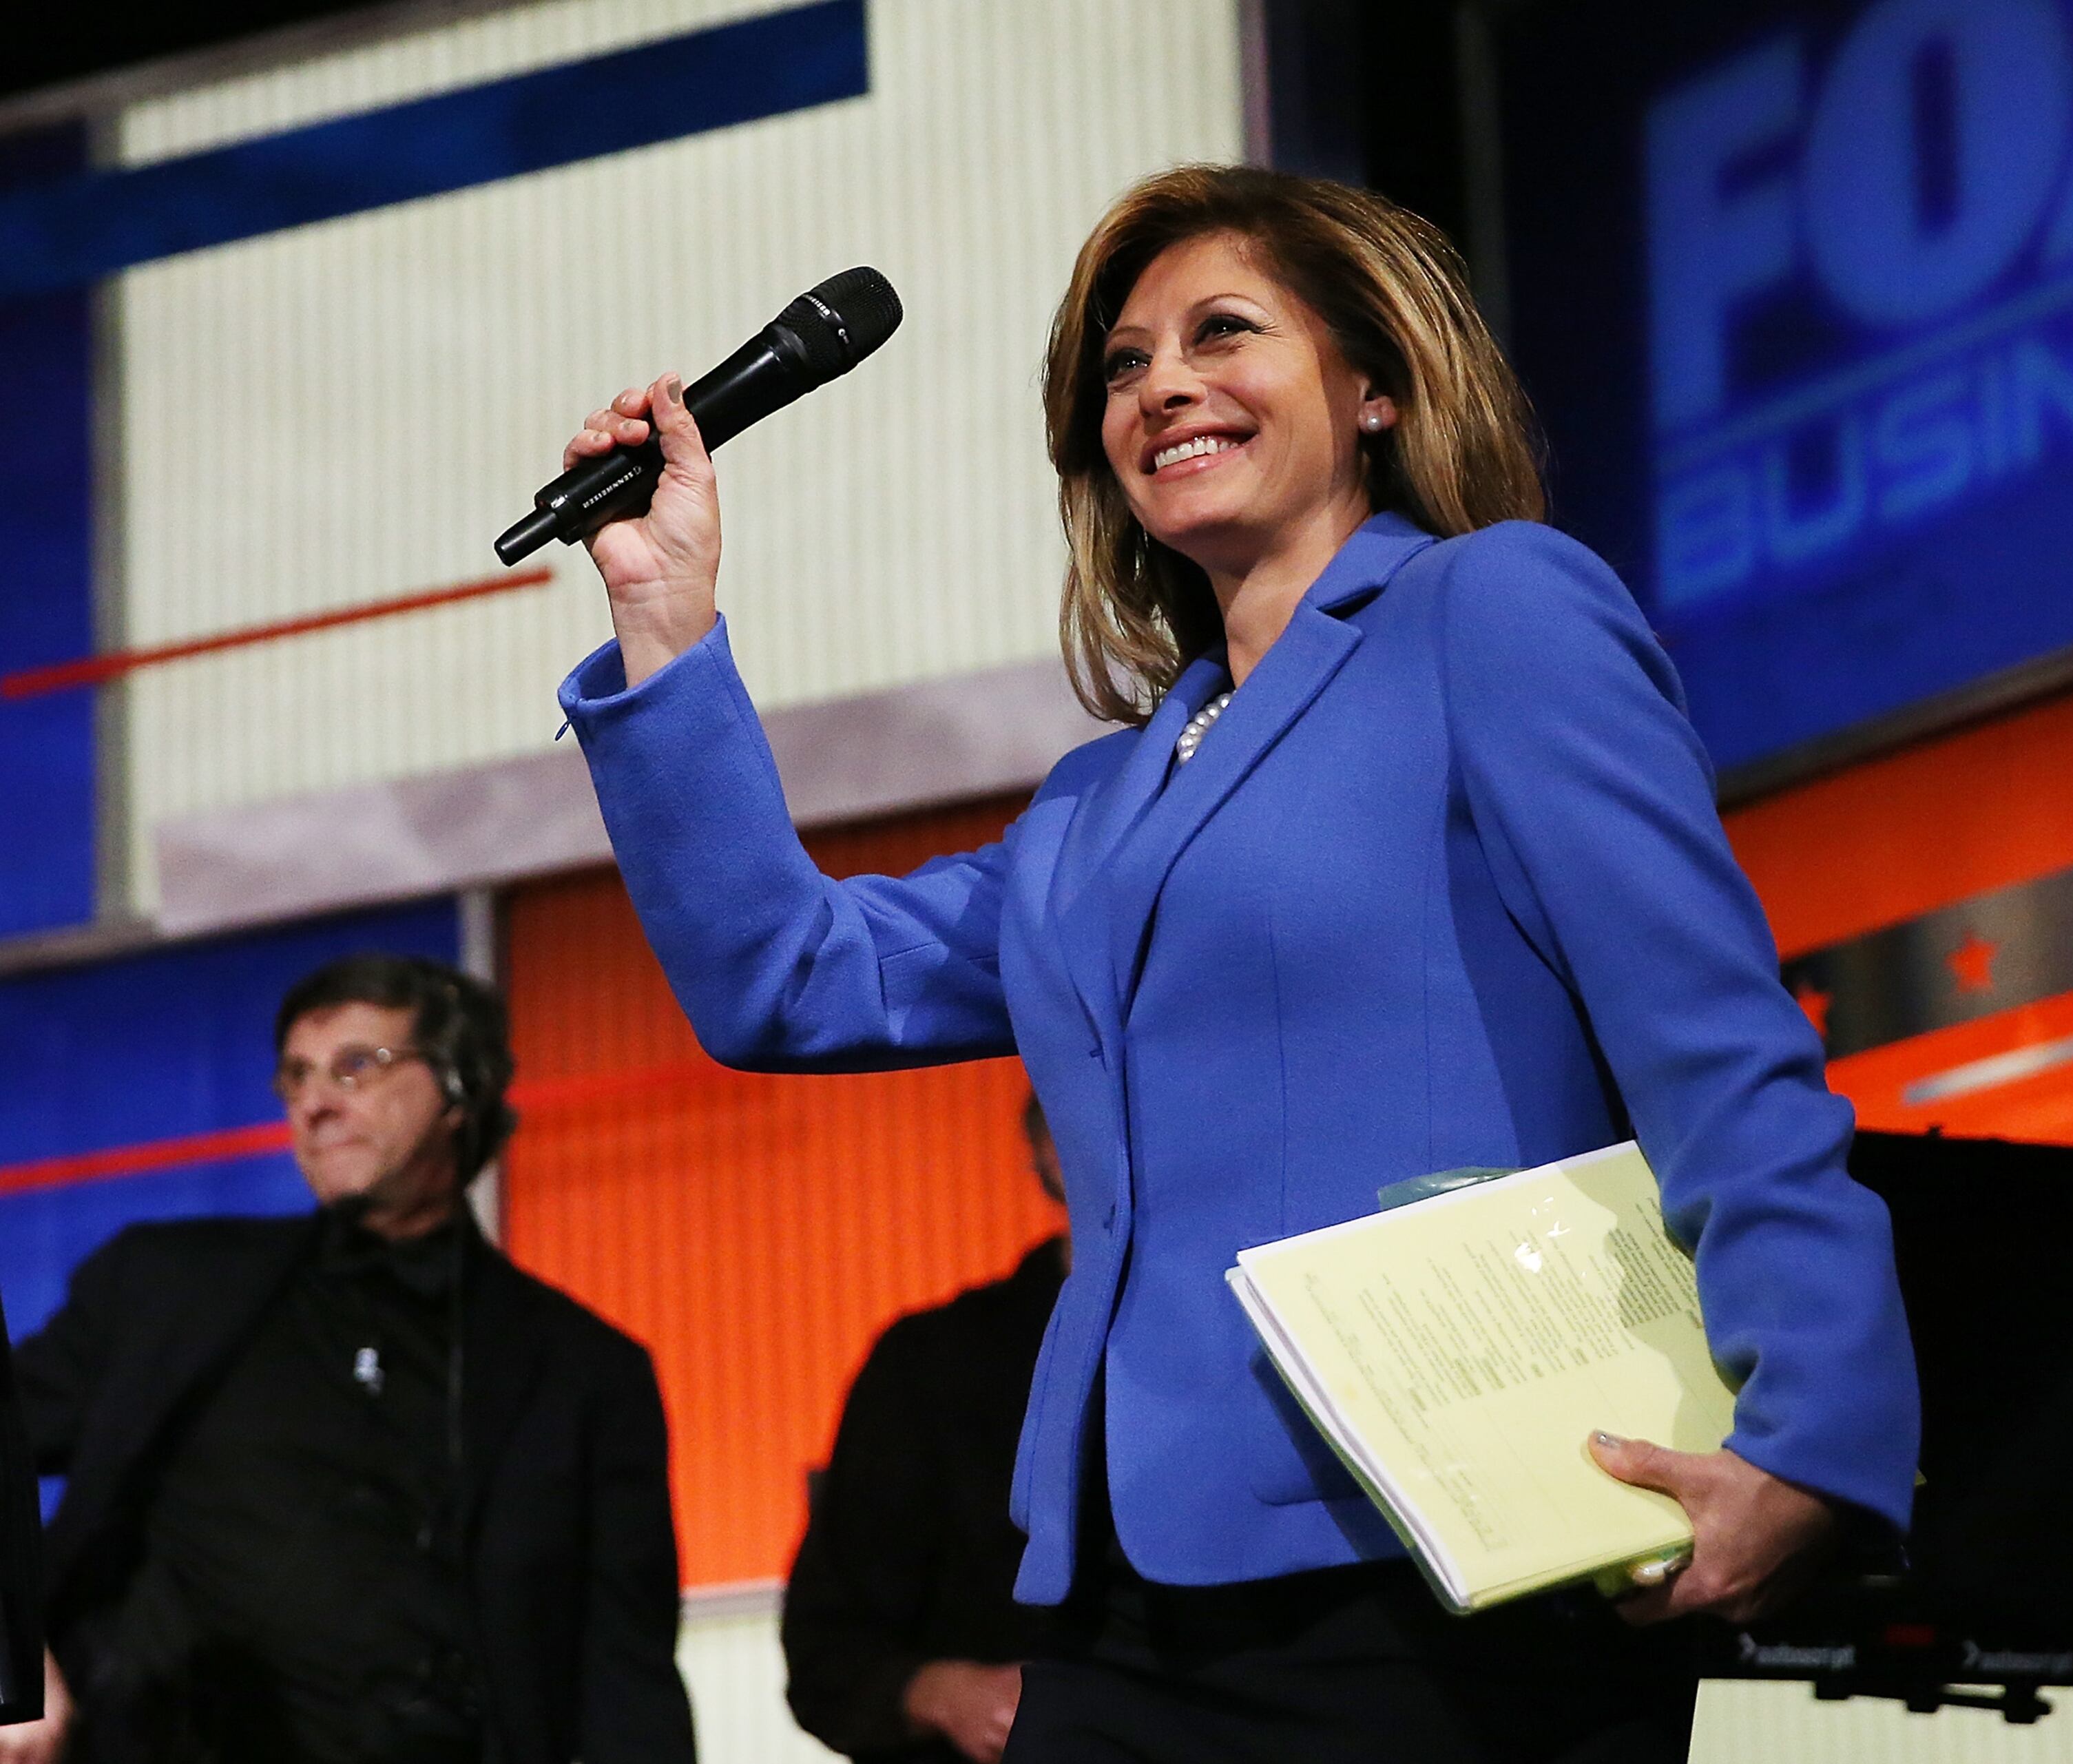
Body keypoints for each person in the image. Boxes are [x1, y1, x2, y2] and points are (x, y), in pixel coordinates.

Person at [552, 164, 1919, 1760]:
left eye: (1221, 333)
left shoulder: (1491, 610)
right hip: (1120, 1603)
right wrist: (667, 618)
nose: (1165, 385)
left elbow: (1713, 1038)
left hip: (1445, 1577)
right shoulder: (1095, 807)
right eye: (1124, 364)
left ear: (1374, 388)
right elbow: (783, 976)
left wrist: (1809, 1426)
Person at [3, 955, 695, 1764]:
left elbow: (628, 1681)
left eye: (355, 1066)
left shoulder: (584, 1372)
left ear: (459, 1088)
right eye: (296, 1077)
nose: (316, 1103)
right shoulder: (166, 1287)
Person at [782, 1094, 1066, 1764]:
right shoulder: (934, 1365)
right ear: (1049, 1150)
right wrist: (941, 1690)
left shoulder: (1271, 1328)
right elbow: (829, 1648)